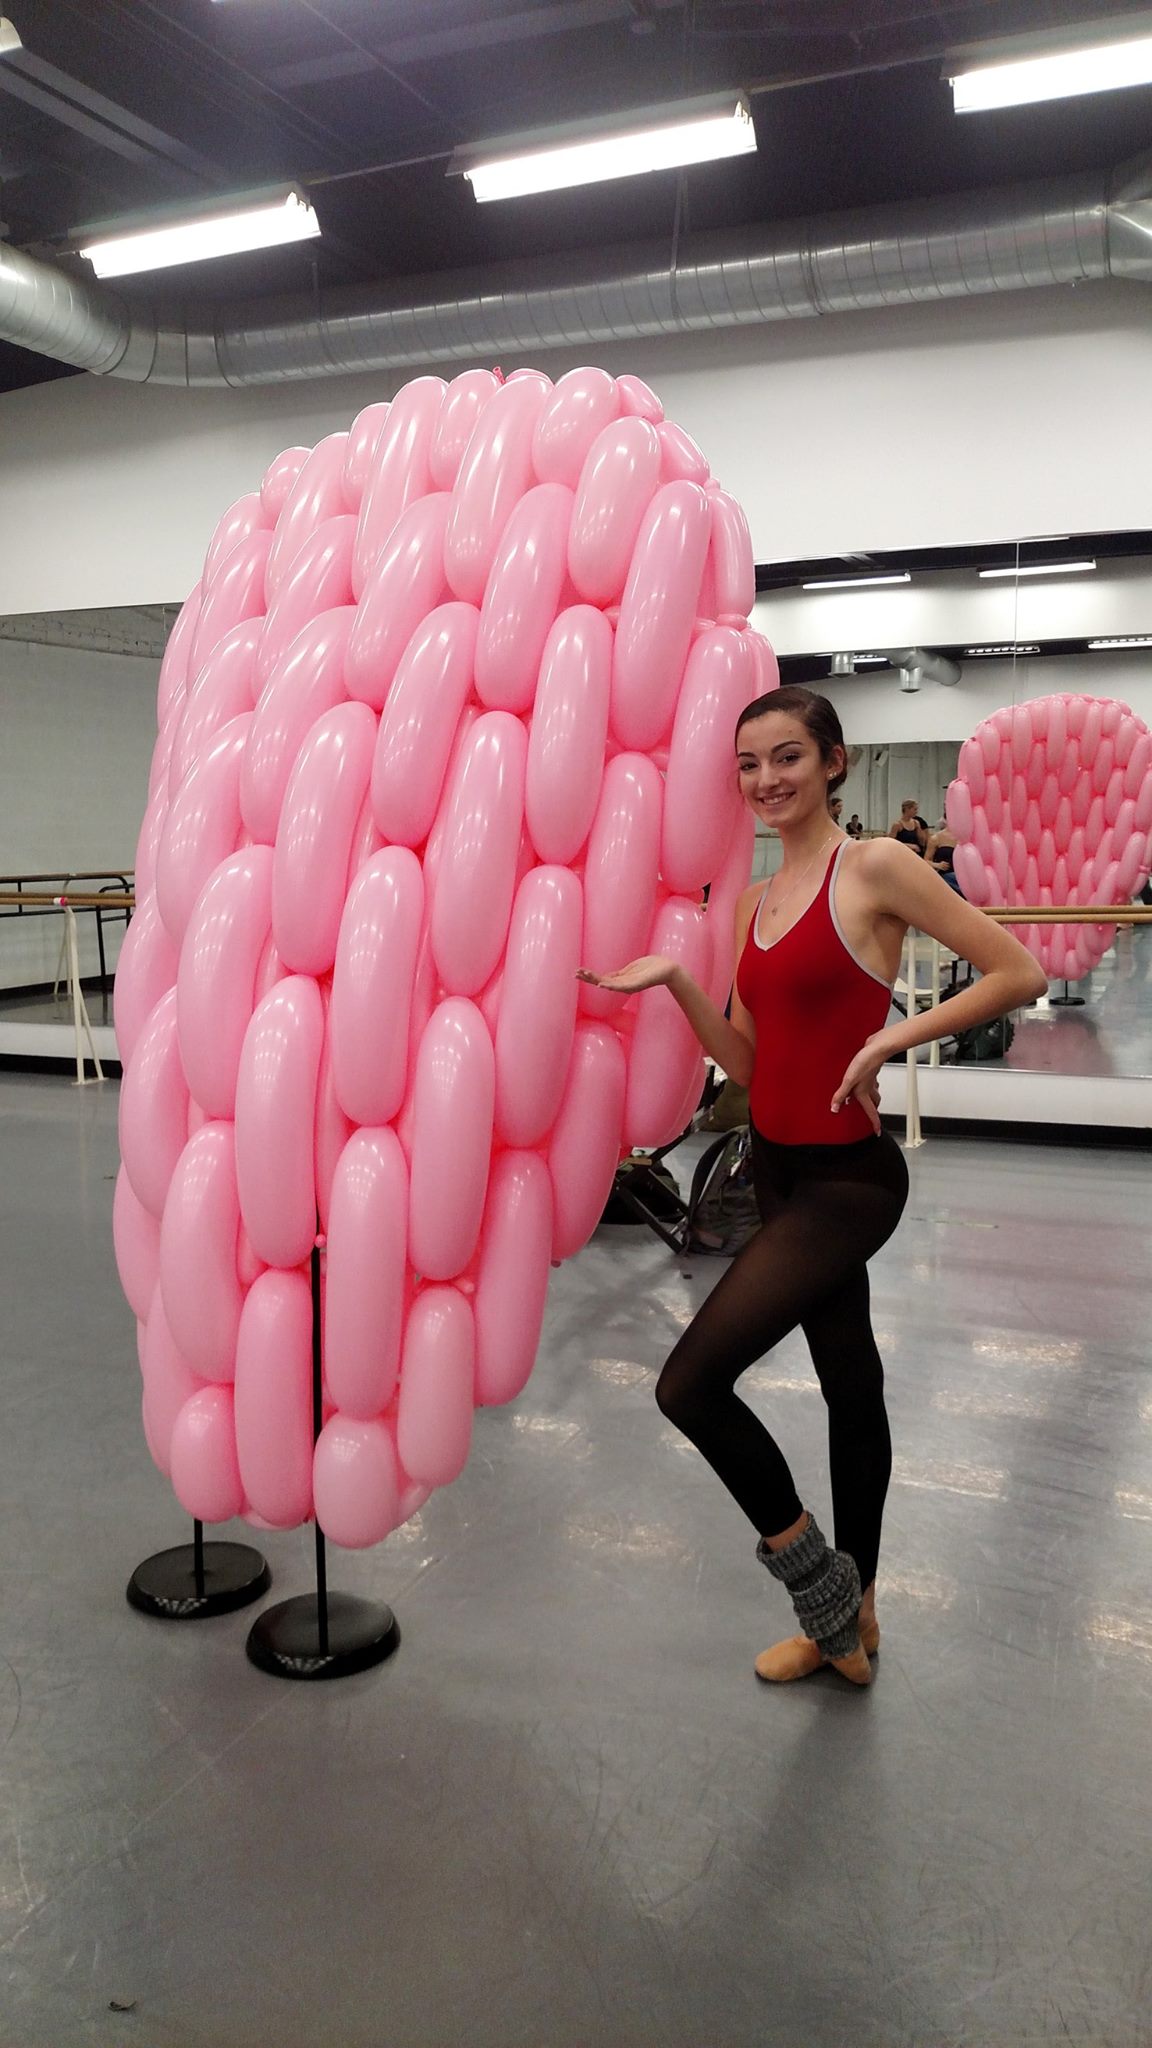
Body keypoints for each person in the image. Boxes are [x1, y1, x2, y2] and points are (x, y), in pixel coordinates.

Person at [578, 686, 1046, 1688]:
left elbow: (1017, 970)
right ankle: (863, 1609)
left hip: (850, 1179)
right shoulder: (752, 901)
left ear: (834, 761)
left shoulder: (873, 866)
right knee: (849, 1382)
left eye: (786, 756)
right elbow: (747, 1063)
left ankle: (819, 1588)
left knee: (689, 1384)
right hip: (778, 1169)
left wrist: (892, 1034)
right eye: (748, 764)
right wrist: (678, 982)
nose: (765, 780)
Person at [925, 818, 961, 892]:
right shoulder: (936, 838)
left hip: (962, 875)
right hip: (946, 875)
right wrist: (937, 865)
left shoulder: (964, 837)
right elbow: (926, 860)